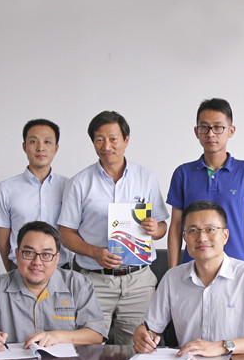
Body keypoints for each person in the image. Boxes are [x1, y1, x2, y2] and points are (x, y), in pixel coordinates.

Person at [58, 111, 169, 345]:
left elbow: (162, 227)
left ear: (126, 140)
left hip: (138, 281)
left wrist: (154, 228)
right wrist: (95, 252)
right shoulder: (79, 182)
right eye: (99, 139)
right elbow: (66, 234)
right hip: (95, 280)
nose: (106, 146)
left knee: (137, 348)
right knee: (88, 349)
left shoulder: (145, 177)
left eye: (113, 139)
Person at [134, 200, 244, 356]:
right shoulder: (172, 278)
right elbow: (150, 328)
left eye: (210, 229)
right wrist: (143, 336)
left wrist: (222, 347)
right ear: (185, 238)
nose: (202, 237)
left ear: (225, 236)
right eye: (193, 231)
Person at [0, 221, 106, 351]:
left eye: (46, 255)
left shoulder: (77, 284)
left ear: (57, 259)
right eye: (29, 253)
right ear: (17, 254)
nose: (37, 262)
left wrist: (57, 336)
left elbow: (96, 334)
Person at [167, 98, 244, 268]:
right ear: (196, 132)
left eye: (218, 127)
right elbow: (176, 226)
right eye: (204, 127)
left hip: (238, 269)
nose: (210, 134)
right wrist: (172, 272)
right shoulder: (183, 173)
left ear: (231, 131)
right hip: (194, 268)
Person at [0, 119, 71, 271]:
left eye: (47, 142)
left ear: (56, 148)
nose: (40, 148)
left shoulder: (68, 187)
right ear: (24, 146)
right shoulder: (6, 188)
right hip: (22, 269)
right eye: (33, 141)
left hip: (61, 269)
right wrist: (12, 271)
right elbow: (3, 239)